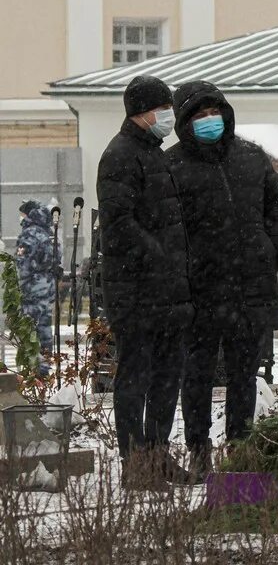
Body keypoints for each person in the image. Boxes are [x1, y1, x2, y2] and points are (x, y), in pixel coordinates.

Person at [166, 81, 278, 477]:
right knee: (198, 376)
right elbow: (165, 225)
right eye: (198, 115)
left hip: (250, 288)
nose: (208, 120)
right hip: (200, 292)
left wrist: (274, 248)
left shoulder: (251, 157)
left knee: (244, 375)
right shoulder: (172, 166)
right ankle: (199, 451)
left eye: (212, 111)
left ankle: (241, 446)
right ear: (184, 122)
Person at [97, 75, 193, 486]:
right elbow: (120, 224)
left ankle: (157, 455)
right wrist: (161, 256)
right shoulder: (120, 155)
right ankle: (135, 462)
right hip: (136, 290)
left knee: (166, 376)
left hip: (165, 289)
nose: (169, 116)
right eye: (164, 108)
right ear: (143, 112)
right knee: (136, 376)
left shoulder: (151, 153)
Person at [14, 200, 57, 373]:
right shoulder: (47, 233)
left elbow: (23, 265)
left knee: (31, 332)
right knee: (44, 330)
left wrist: (21, 288)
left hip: (32, 290)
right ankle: (44, 368)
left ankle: (35, 372)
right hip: (46, 288)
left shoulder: (29, 235)